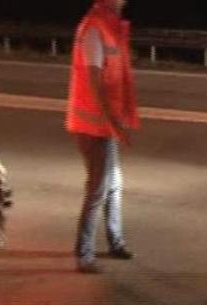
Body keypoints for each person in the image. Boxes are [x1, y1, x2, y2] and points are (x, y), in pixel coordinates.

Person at [66, 0, 139, 273]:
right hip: (92, 126)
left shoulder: (109, 28)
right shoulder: (94, 28)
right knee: (98, 189)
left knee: (114, 185)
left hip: (104, 125)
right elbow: (95, 81)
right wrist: (113, 123)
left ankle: (115, 242)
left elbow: (116, 78)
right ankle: (83, 255)